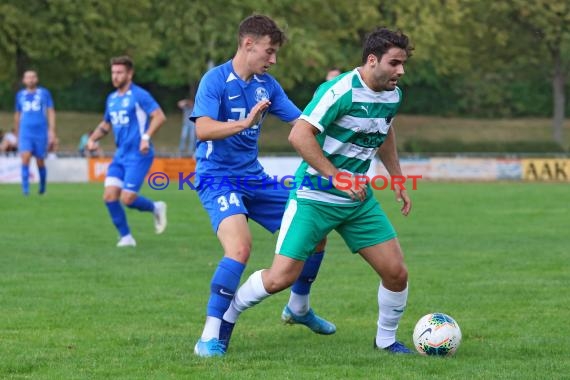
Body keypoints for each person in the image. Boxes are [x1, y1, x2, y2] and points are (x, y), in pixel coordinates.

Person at [223, 27, 415, 354]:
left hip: (357, 200)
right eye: (395, 63)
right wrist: (337, 176)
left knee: (396, 273)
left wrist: (396, 178)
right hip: (314, 196)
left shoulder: (392, 94)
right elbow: (299, 135)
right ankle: (225, 318)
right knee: (279, 278)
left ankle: (386, 341)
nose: (401, 70)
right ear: (372, 60)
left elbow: (385, 131)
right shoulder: (339, 91)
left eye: (403, 63)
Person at [191, 14, 334, 357]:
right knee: (239, 248)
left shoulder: (267, 86)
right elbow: (203, 129)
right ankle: (209, 337)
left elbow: (302, 122)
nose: (273, 60)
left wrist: (336, 114)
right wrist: (244, 123)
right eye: (269, 52)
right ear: (248, 44)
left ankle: (298, 308)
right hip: (216, 177)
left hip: (255, 178)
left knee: (315, 228)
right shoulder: (215, 81)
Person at [87, 56, 168, 247]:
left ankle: (156, 207)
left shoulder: (139, 95)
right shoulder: (112, 99)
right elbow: (106, 124)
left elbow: (159, 116)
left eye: (119, 72)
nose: (115, 76)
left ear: (129, 74)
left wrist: (146, 137)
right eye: (113, 72)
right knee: (109, 196)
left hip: (139, 155)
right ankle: (126, 237)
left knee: (128, 198)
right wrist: (92, 138)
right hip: (120, 155)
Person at [14, 70, 56, 195]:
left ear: (36, 79)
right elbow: (17, 114)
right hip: (25, 132)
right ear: (24, 80)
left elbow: (50, 111)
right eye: (28, 77)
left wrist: (52, 130)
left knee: (40, 161)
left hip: (40, 132)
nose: (30, 79)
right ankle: (25, 190)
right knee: (25, 158)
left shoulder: (44, 93)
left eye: (33, 77)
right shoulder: (20, 95)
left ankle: (42, 188)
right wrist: (17, 132)